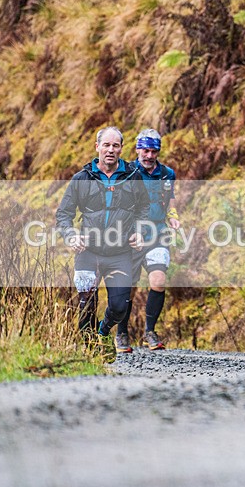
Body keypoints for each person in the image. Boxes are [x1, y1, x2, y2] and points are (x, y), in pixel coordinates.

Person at [55, 126, 150, 341]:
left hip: (120, 253)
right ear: (97, 147)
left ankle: (103, 331)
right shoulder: (82, 178)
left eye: (115, 146)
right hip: (88, 251)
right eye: (106, 145)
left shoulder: (133, 177)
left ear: (121, 149)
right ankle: (88, 348)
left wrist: (140, 230)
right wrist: (71, 235)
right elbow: (63, 214)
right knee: (86, 302)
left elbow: (144, 207)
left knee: (119, 307)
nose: (110, 150)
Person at [115, 128, 180, 353]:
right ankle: (121, 333)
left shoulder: (167, 174)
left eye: (153, 151)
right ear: (137, 149)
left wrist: (173, 217)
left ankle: (150, 332)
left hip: (157, 235)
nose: (149, 155)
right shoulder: (126, 172)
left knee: (158, 281)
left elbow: (169, 200)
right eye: (145, 150)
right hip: (131, 238)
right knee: (128, 288)